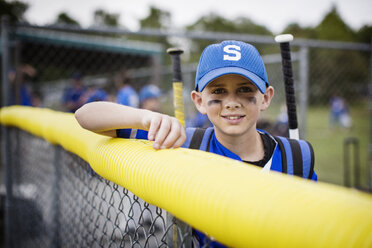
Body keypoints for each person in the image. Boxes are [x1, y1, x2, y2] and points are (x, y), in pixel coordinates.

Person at [75, 40, 317, 247]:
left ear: (265, 97)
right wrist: (144, 118)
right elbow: (85, 115)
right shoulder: (185, 144)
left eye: (245, 89)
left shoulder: (295, 158)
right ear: (199, 101)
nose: (231, 102)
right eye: (218, 92)